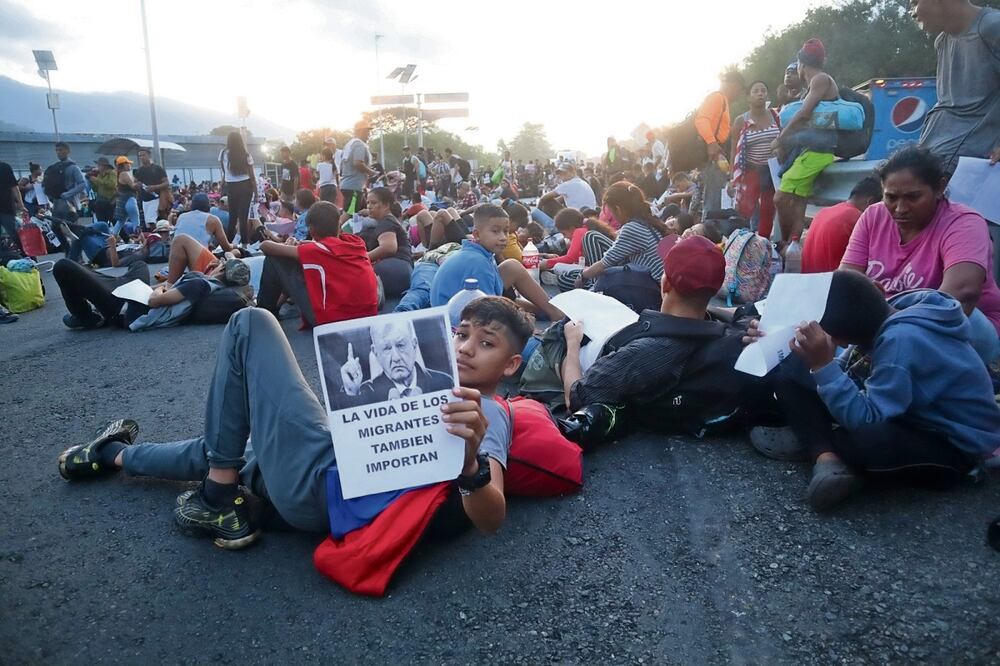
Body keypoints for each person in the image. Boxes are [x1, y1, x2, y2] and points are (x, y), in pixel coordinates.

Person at [55, 296, 534, 550]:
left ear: (510, 366)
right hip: (323, 468)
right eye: (461, 334)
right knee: (227, 445)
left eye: (486, 343)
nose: (467, 348)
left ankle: (218, 498)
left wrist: (470, 465)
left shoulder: (486, 411)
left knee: (252, 323)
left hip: (320, 481)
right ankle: (112, 455)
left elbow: (490, 521)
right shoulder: (422, 381)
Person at [749, 270, 1000, 511]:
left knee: (858, 439)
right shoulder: (884, 314)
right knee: (791, 368)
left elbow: (866, 418)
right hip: (905, 412)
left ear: (840, 340)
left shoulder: (901, 341)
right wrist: (777, 343)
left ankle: (820, 445)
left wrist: (823, 364)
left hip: (951, 444)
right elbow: (847, 371)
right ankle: (825, 457)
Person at [839, 146, 1000, 364]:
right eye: (891, 197)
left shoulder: (964, 223)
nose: (900, 208)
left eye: (912, 197)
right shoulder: (873, 216)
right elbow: (847, 282)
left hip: (966, 333)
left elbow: (961, 296)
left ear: (940, 188)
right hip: (889, 324)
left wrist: (889, 328)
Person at [561, 235, 727, 411]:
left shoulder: (646, 352)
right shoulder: (724, 331)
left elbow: (575, 398)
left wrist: (572, 345)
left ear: (666, 284)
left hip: (580, 354)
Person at [430, 204, 564, 321]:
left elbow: (494, 298)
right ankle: (553, 311)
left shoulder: (480, 253)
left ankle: (553, 310)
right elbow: (487, 312)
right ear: (476, 235)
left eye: (505, 231)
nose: (502, 237)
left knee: (512, 266)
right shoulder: (478, 263)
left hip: (474, 306)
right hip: (457, 322)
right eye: (495, 231)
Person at [257, 200, 378, 327]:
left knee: (275, 259)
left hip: (335, 320)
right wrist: (297, 243)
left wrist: (289, 244)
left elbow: (265, 246)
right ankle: (275, 307)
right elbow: (324, 248)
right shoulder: (356, 242)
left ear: (311, 230)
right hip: (366, 314)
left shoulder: (316, 251)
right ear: (339, 224)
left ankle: (263, 314)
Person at [914, 0, 1000, 172]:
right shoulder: (942, 41)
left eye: (914, 2)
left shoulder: (992, 27)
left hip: (976, 166)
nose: (912, 12)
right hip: (934, 157)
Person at [772, 38, 840, 244]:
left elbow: (804, 113)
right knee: (799, 203)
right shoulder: (814, 83)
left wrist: (780, 139)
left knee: (780, 198)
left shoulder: (820, 79)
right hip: (812, 151)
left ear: (802, 64)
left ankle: (783, 244)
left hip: (817, 152)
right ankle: (793, 245)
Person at [336, 320, 454, 407]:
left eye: (401, 345)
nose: (396, 358)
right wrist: (352, 391)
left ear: (414, 344)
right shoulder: (364, 393)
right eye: (387, 349)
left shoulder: (445, 383)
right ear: (375, 352)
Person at [574, 181, 669, 288]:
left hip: (653, 288)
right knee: (592, 237)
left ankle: (594, 286)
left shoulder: (632, 228)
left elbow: (604, 263)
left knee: (570, 277)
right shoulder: (646, 220)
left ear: (618, 209)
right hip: (657, 281)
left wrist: (581, 276)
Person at [729, 80, 781, 239]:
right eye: (756, 91)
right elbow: (733, 152)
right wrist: (732, 178)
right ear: (748, 97)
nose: (760, 94)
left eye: (763, 91)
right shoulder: (741, 121)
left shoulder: (775, 115)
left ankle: (764, 244)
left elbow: (785, 138)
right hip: (751, 171)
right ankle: (746, 243)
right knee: (747, 210)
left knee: (767, 210)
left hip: (772, 171)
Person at [802, 176, 882, 273]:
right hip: (835, 284)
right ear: (871, 202)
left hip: (810, 281)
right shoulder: (859, 218)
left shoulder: (823, 212)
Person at [695, 71, 746, 220]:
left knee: (715, 198)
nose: (739, 94)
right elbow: (701, 120)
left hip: (717, 155)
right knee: (713, 200)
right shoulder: (717, 98)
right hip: (713, 155)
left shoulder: (722, 100)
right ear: (734, 85)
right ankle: (708, 233)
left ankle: (709, 230)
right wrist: (711, 143)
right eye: (740, 89)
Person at [541, 208, 617, 292]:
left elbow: (570, 258)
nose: (564, 237)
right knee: (563, 276)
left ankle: (558, 279)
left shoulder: (580, 231)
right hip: (597, 270)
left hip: (600, 273)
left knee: (559, 269)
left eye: (564, 233)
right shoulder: (584, 229)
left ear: (572, 228)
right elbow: (577, 259)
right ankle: (559, 279)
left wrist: (547, 263)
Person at [356, 187, 412, 299]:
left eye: (373, 203)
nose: (369, 206)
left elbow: (389, 247)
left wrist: (362, 259)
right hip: (401, 269)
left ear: (386, 205)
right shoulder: (386, 221)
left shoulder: (387, 221)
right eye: (367, 203)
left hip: (395, 268)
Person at [218, 131, 257, 244]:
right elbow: (252, 175)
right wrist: (256, 193)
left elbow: (224, 170)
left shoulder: (223, 153)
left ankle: (228, 244)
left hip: (231, 186)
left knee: (233, 217)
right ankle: (245, 244)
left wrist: (225, 181)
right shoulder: (246, 154)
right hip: (246, 186)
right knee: (243, 218)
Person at [173, 192, 238, 255]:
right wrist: (236, 246)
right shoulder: (213, 219)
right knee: (236, 252)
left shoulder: (181, 216)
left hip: (177, 259)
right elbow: (227, 248)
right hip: (198, 260)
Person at [43, 141, 86, 224]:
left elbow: (82, 184)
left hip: (70, 203)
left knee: (72, 230)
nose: (58, 152)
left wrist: (68, 194)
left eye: (61, 150)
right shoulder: (54, 167)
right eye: (57, 150)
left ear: (68, 151)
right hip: (56, 203)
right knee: (59, 230)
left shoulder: (73, 167)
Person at [341, 120, 376, 216]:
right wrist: (371, 172)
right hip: (354, 186)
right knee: (350, 213)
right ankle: (339, 229)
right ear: (361, 131)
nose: (369, 134)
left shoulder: (350, 144)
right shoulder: (359, 145)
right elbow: (357, 163)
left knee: (358, 211)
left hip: (349, 184)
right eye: (367, 132)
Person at [135, 148, 172, 222]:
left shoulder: (157, 168)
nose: (141, 157)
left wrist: (155, 187)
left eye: (143, 155)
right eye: (140, 156)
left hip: (157, 198)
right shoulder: (139, 170)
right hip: (145, 200)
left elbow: (166, 183)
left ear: (149, 155)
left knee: (151, 220)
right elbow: (136, 183)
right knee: (148, 222)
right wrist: (137, 185)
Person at [0, 159, 26, 255]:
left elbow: (14, 187)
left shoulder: (4, 167)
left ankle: (29, 257)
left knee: (14, 234)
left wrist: (21, 205)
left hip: (6, 208)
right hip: (6, 209)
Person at [113, 156, 140, 237]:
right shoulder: (124, 174)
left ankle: (111, 239)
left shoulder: (119, 174)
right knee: (136, 221)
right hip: (130, 200)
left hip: (123, 202)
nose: (129, 165)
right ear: (123, 165)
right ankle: (139, 241)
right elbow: (133, 186)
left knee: (120, 222)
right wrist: (139, 183)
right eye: (128, 163)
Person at [87, 157, 118, 224]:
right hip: (100, 202)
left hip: (110, 202)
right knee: (101, 222)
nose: (97, 167)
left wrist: (97, 180)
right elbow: (96, 189)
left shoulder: (112, 173)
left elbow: (112, 184)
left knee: (114, 221)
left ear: (104, 166)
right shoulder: (100, 174)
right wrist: (92, 182)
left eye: (99, 165)